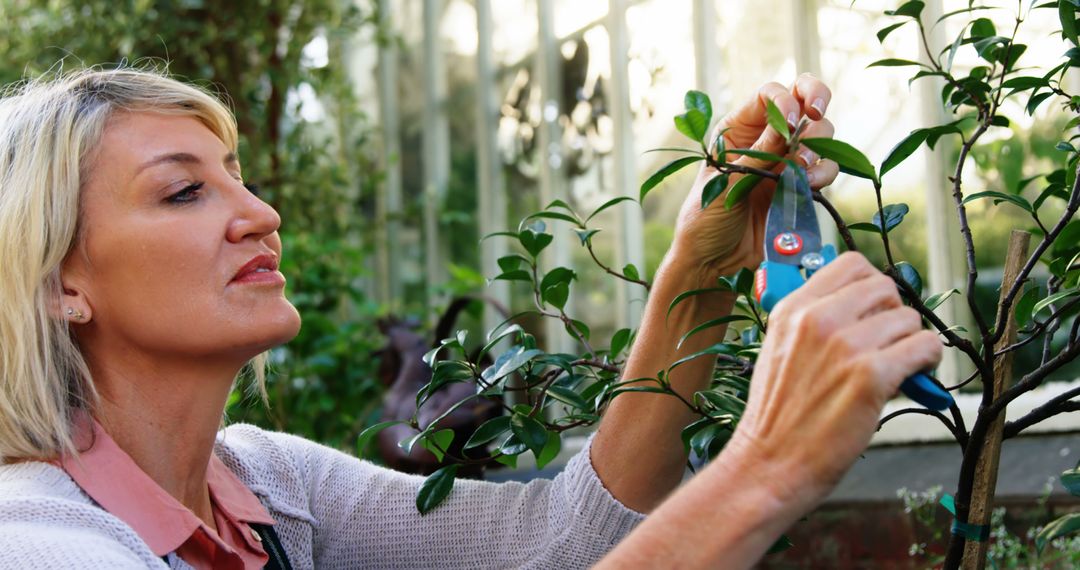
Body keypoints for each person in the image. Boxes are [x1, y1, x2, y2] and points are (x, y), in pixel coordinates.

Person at [0, 67, 941, 569]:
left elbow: (566, 546)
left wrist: (694, 274)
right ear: (58, 283)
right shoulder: (41, 544)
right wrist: (768, 465)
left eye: (239, 179)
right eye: (181, 194)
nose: (260, 215)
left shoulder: (266, 491)